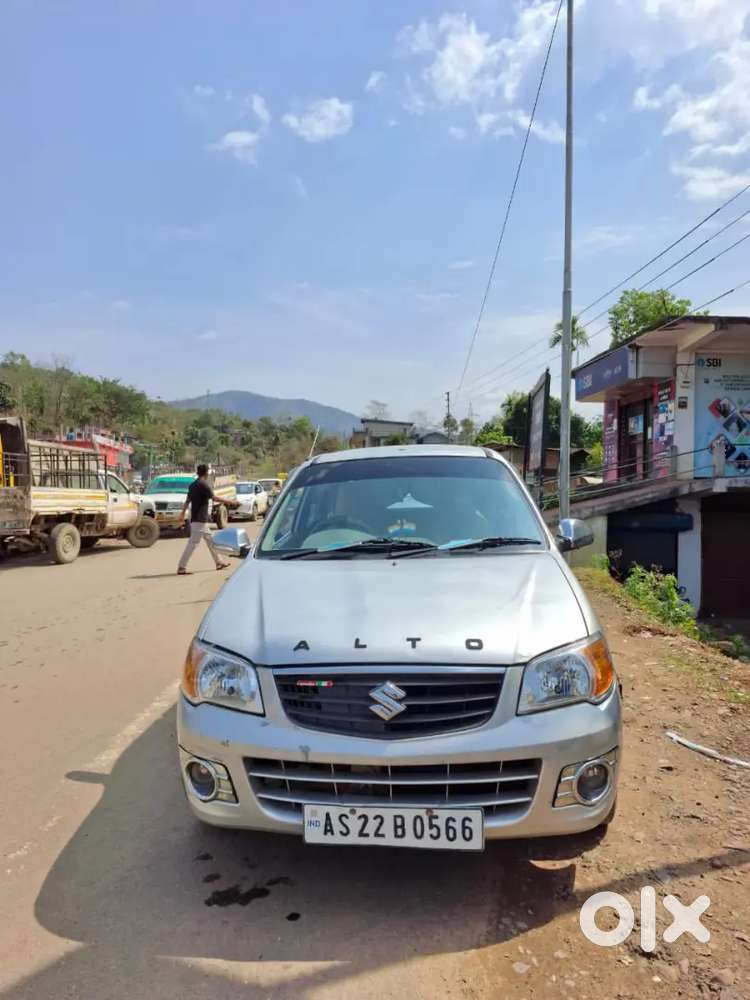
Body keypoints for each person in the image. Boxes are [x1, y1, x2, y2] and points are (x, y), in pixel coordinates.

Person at [177, 464, 231, 575]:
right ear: (206, 473)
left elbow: (187, 501)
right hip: (199, 519)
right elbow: (214, 497)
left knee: (211, 541)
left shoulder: (193, 485)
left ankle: (219, 562)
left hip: (198, 519)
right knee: (192, 544)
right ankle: (181, 567)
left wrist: (182, 514)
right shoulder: (204, 485)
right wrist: (231, 502)